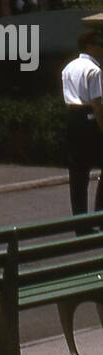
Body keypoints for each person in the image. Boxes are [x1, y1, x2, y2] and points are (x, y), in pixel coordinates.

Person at [61, 30, 103, 221]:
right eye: (99, 44)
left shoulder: (68, 67)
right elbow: (97, 104)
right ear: (90, 46)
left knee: (77, 172)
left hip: (72, 116)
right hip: (88, 116)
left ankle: (79, 221)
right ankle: (100, 213)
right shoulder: (94, 70)